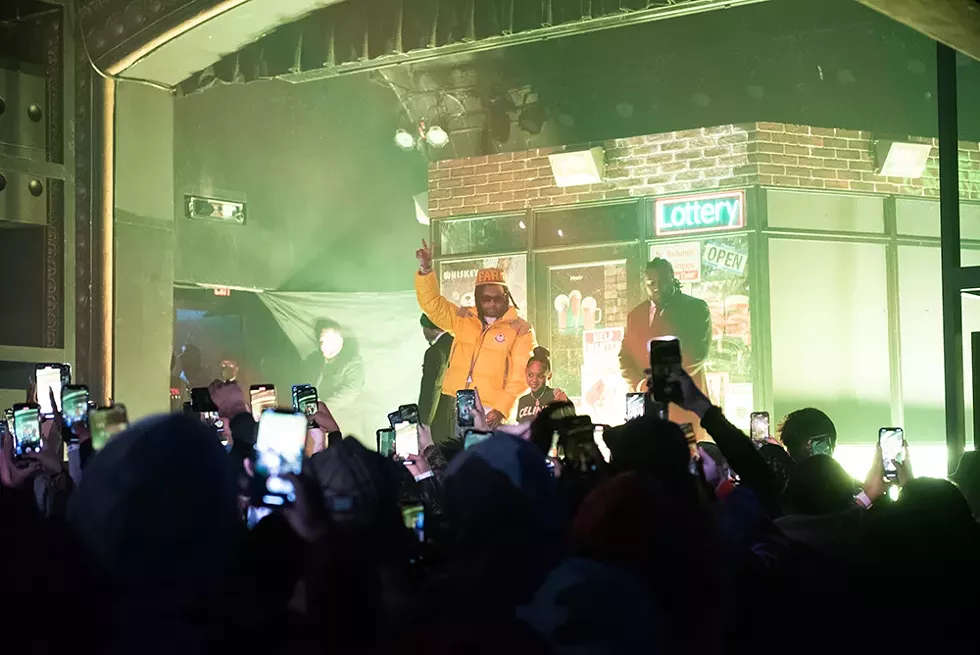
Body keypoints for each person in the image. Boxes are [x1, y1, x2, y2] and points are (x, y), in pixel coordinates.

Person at [414, 239, 535, 429]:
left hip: (490, 412)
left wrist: (502, 409)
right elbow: (432, 305)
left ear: (506, 296)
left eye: (498, 297)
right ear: (478, 298)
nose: (492, 303)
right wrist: (426, 269)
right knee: (457, 458)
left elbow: (520, 376)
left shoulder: (520, 330)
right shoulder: (463, 319)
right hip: (456, 406)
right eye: (486, 298)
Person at [619, 257, 712, 435]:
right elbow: (625, 356)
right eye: (651, 283)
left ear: (672, 279)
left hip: (685, 405)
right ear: (645, 285)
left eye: (662, 281)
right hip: (646, 409)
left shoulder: (696, 308)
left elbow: (698, 352)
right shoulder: (635, 315)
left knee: (689, 457)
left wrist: (661, 383)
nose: (656, 287)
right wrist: (639, 384)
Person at [303, 318, 365, 411]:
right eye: (321, 340)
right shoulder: (313, 359)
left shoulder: (353, 363)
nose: (323, 345)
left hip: (340, 418)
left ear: (340, 341)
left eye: (328, 340)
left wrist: (320, 408)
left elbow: (349, 394)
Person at [418, 313, 455, 444]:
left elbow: (433, 387)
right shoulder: (456, 344)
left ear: (428, 328)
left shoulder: (435, 352)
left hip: (441, 418)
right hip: (458, 416)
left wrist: (424, 423)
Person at [516, 347, 568, 423]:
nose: (534, 380)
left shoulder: (556, 396)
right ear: (525, 372)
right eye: (530, 375)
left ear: (549, 376)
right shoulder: (523, 401)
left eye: (540, 376)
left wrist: (565, 404)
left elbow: (570, 424)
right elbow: (520, 429)